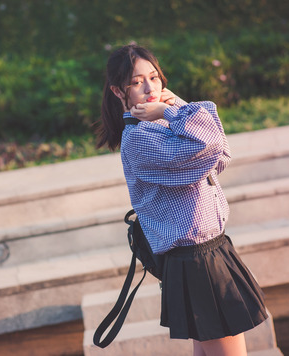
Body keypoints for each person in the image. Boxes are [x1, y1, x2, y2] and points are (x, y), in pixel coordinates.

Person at [96, 44, 268, 356]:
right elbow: (211, 142)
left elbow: (222, 151)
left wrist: (173, 106)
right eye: (137, 82)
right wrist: (169, 110)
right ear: (118, 92)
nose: (150, 88)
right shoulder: (140, 138)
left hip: (207, 254)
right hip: (198, 260)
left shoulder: (161, 124)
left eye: (154, 77)